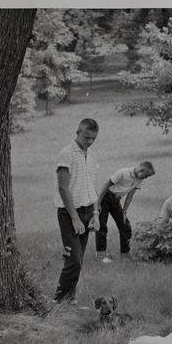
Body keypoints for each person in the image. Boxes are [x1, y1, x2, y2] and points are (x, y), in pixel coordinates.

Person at [53, 118, 100, 304]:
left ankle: (69, 299)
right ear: (78, 132)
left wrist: (95, 214)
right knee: (74, 261)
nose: (90, 141)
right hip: (70, 213)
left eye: (93, 138)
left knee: (77, 259)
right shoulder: (66, 154)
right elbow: (63, 188)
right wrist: (74, 218)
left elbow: (92, 186)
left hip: (88, 211)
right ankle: (58, 301)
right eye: (87, 137)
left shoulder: (92, 155)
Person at [94, 161, 155, 263]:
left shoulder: (139, 179)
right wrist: (98, 203)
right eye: (146, 176)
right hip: (105, 198)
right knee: (102, 226)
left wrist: (124, 212)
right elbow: (106, 185)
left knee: (125, 226)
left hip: (115, 200)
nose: (146, 178)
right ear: (141, 170)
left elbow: (130, 195)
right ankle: (101, 255)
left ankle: (125, 254)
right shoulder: (123, 172)